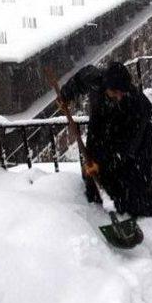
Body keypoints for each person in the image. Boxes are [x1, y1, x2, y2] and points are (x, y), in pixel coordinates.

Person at [85, 62, 152, 218]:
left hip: (138, 142)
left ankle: (142, 214)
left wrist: (105, 162)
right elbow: (82, 76)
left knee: (136, 179)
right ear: (106, 85)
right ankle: (107, 201)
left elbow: (126, 148)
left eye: (122, 92)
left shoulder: (136, 106)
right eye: (115, 92)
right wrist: (65, 95)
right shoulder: (97, 82)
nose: (119, 96)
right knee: (106, 177)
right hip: (110, 135)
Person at [61, 65, 104, 204]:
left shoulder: (123, 97)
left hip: (109, 131)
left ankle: (106, 197)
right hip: (97, 127)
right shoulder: (97, 80)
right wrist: (65, 95)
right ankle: (94, 195)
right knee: (92, 163)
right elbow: (80, 80)